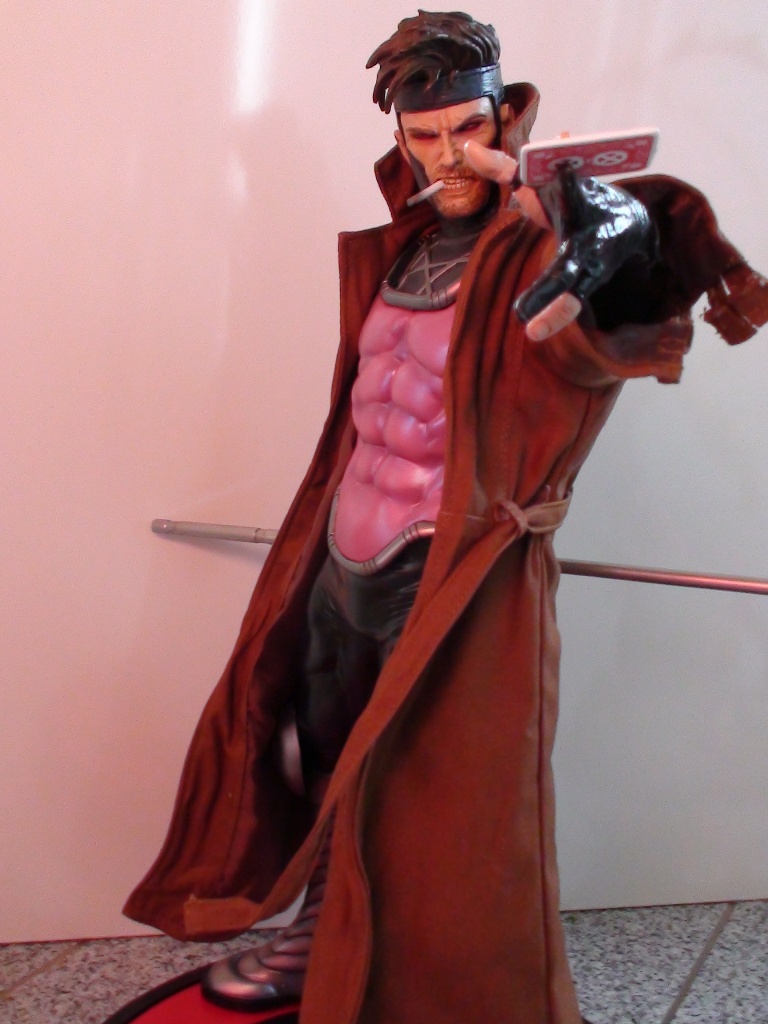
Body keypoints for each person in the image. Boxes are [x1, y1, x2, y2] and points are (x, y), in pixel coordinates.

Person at [124, 12, 768, 1024]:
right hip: (342, 552)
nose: (448, 156)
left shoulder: (544, 246)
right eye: (423, 136)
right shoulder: (405, 248)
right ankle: (322, 930)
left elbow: (640, 249)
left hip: (451, 565)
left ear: (504, 120)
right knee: (316, 747)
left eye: (467, 128)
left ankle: (414, 974)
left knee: (436, 783)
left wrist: (567, 207)